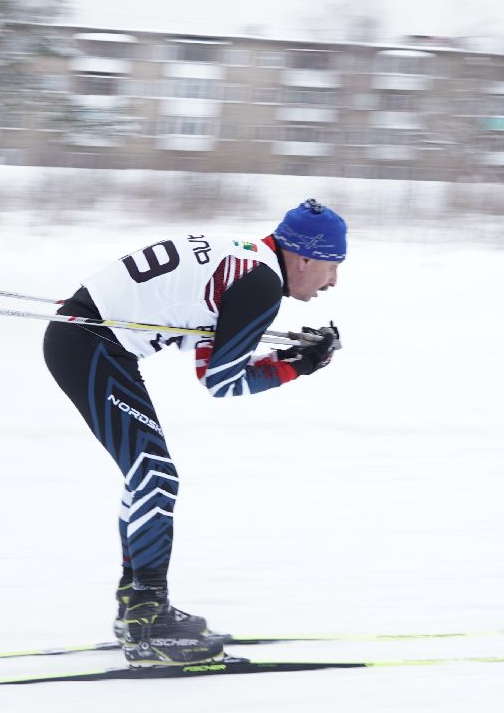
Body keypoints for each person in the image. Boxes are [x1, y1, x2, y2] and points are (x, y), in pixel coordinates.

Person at [42, 199, 346, 666]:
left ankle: (139, 610)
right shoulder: (260, 283)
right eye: (332, 267)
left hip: (88, 339)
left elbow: (210, 363)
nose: (334, 282)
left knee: (150, 475)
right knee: (154, 477)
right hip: (90, 344)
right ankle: (147, 619)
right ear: (304, 258)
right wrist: (299, 366)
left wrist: (290, 357)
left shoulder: (249, 261)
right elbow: (224, 382)